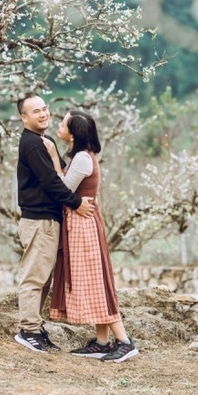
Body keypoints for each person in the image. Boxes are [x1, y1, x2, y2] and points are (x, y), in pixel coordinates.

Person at [44, 110, 138, 362]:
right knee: (94, 283)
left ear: (73, 134)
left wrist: (53, 157)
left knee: (96, 284)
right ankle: (102, 341)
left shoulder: (83, 159)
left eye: (62, 124)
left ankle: (124, 341)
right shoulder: (84, 157)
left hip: (82, 227)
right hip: (81, 222)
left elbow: (62, 189)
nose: (58, 126)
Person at [14, 93, 94, 353]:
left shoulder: (45, 141)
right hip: (38, 220)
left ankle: (35, 327)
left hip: (48, 220)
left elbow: (61, 171)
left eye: (45, 108)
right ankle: (28, 330)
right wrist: (76, 203)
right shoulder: (33, 144)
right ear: (24, 117)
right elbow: (52, 183)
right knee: (34, 276)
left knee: (43, 276)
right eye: (35, 111)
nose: (43, 114)